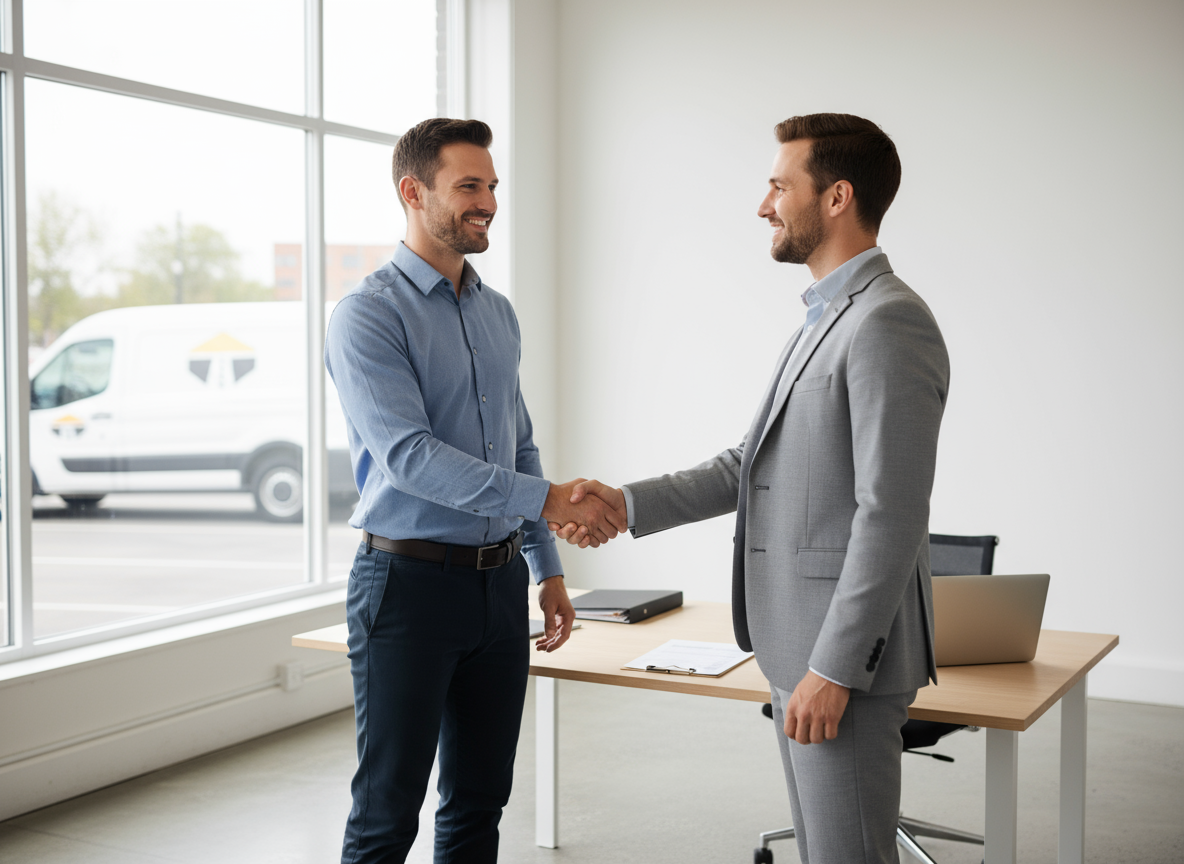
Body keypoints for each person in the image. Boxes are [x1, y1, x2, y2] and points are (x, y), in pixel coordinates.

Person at [553, 113, 950, 864]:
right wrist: (624, 503)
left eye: (778, 185)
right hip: (795, 648)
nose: (763, 204)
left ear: (835, 198)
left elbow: (891, 513)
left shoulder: (888, 323)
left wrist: (833, 668)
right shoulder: (823, 320)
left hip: (840, 666)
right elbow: (749, 466)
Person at [325, 117, 626, 864]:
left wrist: (549, 568)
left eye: (492, 186)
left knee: (479, 801)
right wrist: (552, 499)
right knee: (388, 809)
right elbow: (410, 458)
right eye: (469, 186)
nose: (488, 201)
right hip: (407, 584)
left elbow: (518, 445)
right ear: (413, 192)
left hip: (500, 590)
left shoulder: (497, 313)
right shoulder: (367, 315)